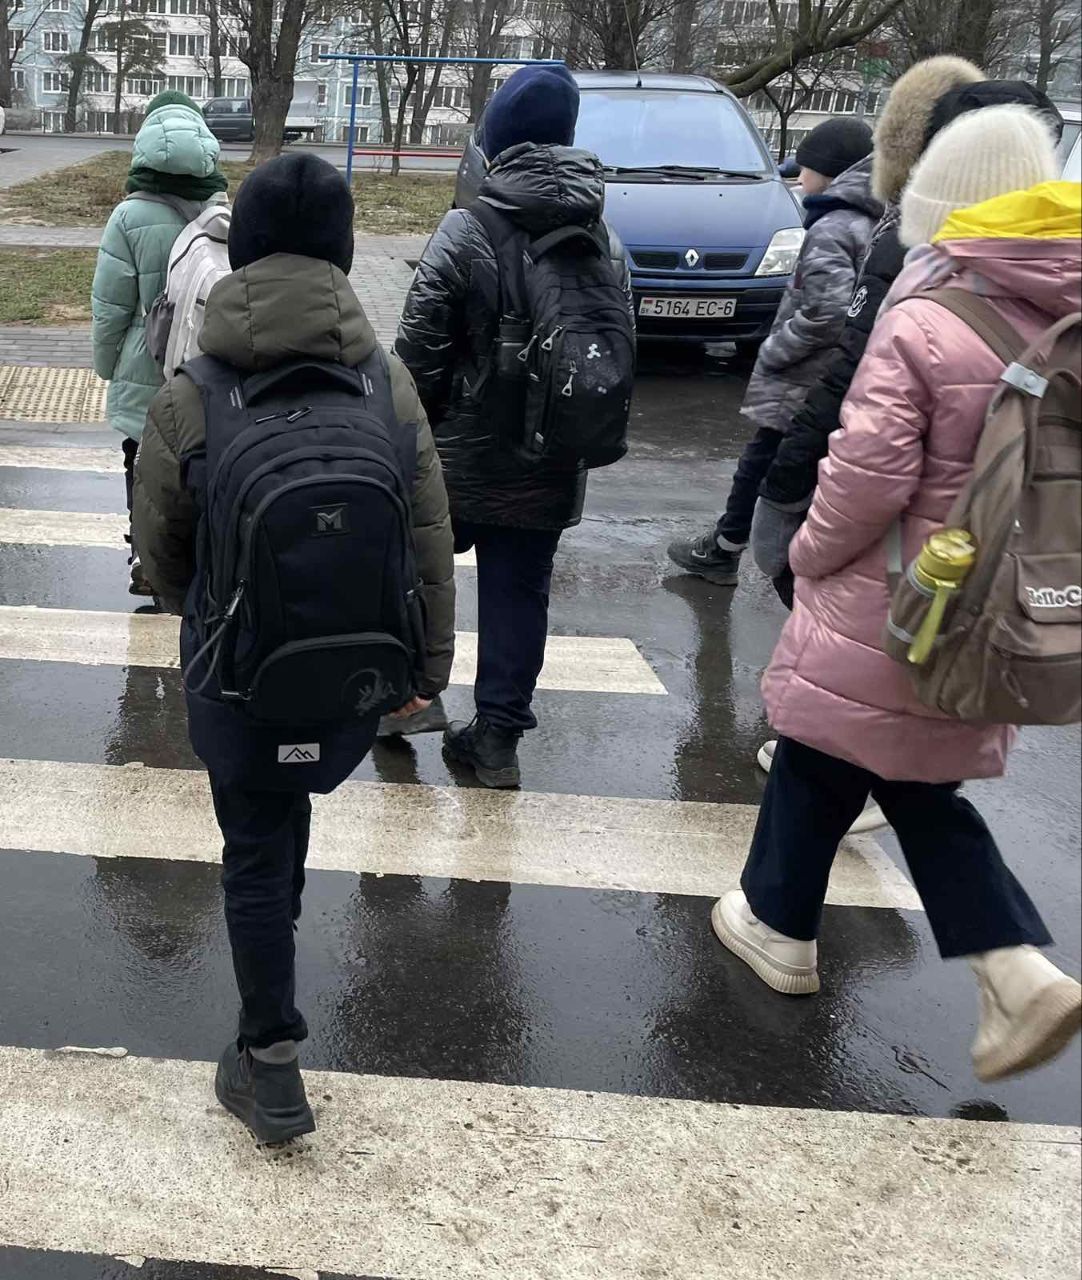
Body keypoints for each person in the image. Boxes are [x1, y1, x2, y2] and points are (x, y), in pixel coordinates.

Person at [711, 105, 1082, 1083]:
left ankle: (1001, 963)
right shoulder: (1068, 316)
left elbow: (864, 474)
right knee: (863, 755)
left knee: (846, 748)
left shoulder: (925, 316)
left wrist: (808, 555)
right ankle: (786, 922)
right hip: (1006, 602)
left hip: (900, 590)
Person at [133, 154, 456, 1142]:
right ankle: (276, 963)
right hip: (353, 676)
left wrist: (206, 615)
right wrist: (427, 672)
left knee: (255, 848)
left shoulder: (192, 393)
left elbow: (161, 549)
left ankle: (269, 1059)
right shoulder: (387, 384)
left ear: (244, 253)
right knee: (287, 822)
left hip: (236, 676)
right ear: (344, 254)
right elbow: (427, 538)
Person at [395, 64, 631, 788]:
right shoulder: (605, 239)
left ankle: (407, 703)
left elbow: (417, 355)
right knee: (521, 594)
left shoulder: (467, 228)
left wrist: (408, 444)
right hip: (551, 457)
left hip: (457, 460)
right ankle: (496, 739)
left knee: (415, 574)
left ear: (495, 141)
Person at [750, 71, 1064, 589]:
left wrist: (791, 518)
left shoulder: (916, 276)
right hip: (1031, 573)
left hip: (913, 566)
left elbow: (868, 452)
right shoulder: (1061, 274)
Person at [666, 117, 881, 596]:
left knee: (762, 463)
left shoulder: (833, 227)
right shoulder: (874, 220)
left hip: (805, 377)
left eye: (805, 168)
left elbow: (828, 312)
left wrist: (777, 347)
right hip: (835, 377)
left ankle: (725, 548)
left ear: (828, 172)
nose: (799, 177)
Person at [91, 91, 227, 596]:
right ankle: (197, 555)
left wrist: (107, 365)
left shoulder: (127, 217)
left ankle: (145, 558)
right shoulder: (220, 211)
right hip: (202, 362)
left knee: (141, 463)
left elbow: (110, 305)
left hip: (143, 363)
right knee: (197, 461)